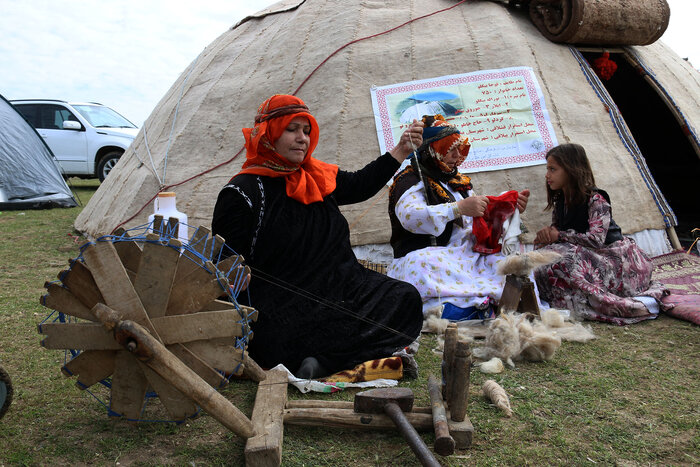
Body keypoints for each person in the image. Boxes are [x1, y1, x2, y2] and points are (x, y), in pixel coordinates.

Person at [212, 94, 424, 379]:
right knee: (288, 331)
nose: (302, 138)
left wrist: (401, 148)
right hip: (284, 303)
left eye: (307, 131)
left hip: (344, 289)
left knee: (405, 298)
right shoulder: (243, 192)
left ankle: (321, 362)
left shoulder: (317, 176)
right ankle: (329, 358)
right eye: (292, 129)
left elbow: (361, 184)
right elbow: (223, 262)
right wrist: (234, 278)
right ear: (268, 134)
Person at [387, 115, 532, 318]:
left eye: (459, 148)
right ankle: (466, 308)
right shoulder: (410, 180)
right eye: (449, 149)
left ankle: (493, 303)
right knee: (421, 263)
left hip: (465, 252)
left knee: (506, 258)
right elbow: (411, 217)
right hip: (434, 254)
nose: (457, 155)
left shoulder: (458, 182)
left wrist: (505, 207)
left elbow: (477, 218)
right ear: (432, 150)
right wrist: (458, 208)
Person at [533, 143, 666, 325]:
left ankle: (585, 301)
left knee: (565, 261)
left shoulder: (595, 199)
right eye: (548, 169)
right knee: (542, 259)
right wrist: (546, 238)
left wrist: (559, 236)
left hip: (613, 256)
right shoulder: (561, 203)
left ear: (571, 169)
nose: (547, 175)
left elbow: (596, 240)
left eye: (553, 169)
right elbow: (558, 235)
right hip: (586, 254)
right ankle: (567, 301)